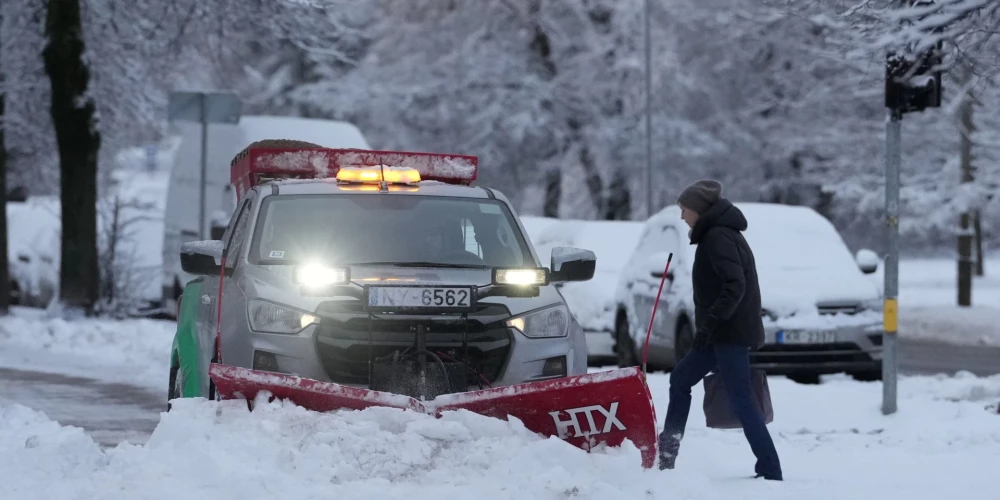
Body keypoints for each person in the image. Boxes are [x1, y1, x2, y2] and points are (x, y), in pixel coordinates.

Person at [658, 179, 783, 481]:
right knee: (680, 380)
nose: (682, 216)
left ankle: (770, 468)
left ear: (699, 210)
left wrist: (712, 321)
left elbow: (734, 285)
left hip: (728, 333)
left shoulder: (719, 238)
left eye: (684, 209)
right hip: (719, 333)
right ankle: (666, 455)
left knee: (741, 399)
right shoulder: (716, 235)